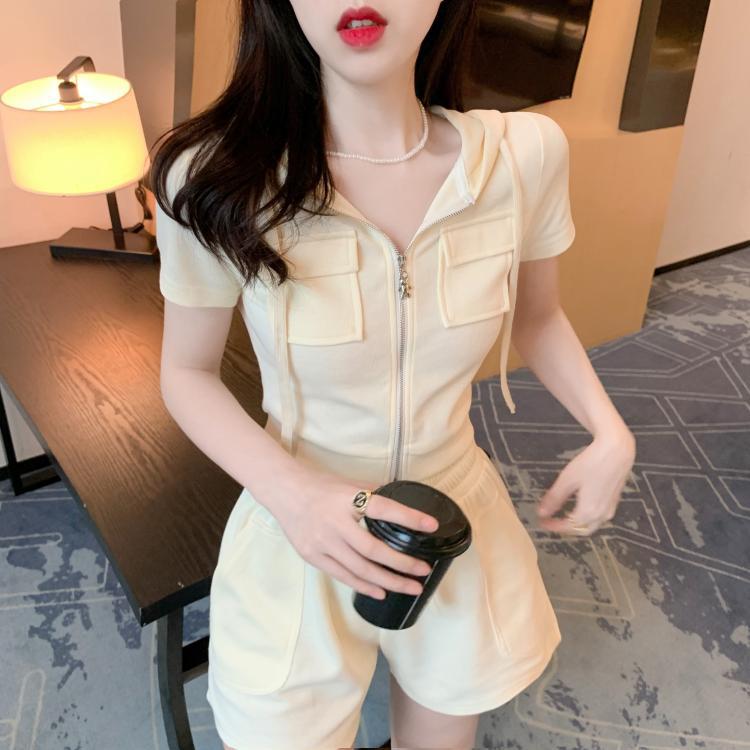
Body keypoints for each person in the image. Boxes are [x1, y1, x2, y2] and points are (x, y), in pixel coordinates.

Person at [151, 1, 637, 748]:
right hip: (299, 526)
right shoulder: (215, 173)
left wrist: (609, 431)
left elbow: (538, 317)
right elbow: (187, 372)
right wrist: (296, 497)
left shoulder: (523, 156)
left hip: (450, 517)